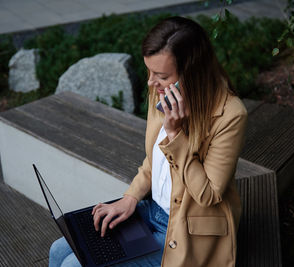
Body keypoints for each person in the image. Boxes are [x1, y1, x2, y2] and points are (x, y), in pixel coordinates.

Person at [49, 16, 247, 267]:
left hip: (189, 231)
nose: (151, 83)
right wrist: (129, 198)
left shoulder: (230, 115)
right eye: (149, 71)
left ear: (192, 74)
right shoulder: (162, 91)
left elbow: (208, 195)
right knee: (58, 250)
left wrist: (176, 136)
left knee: (72, 265)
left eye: (161, 75)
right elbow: (154, 161)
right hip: (152, 211)